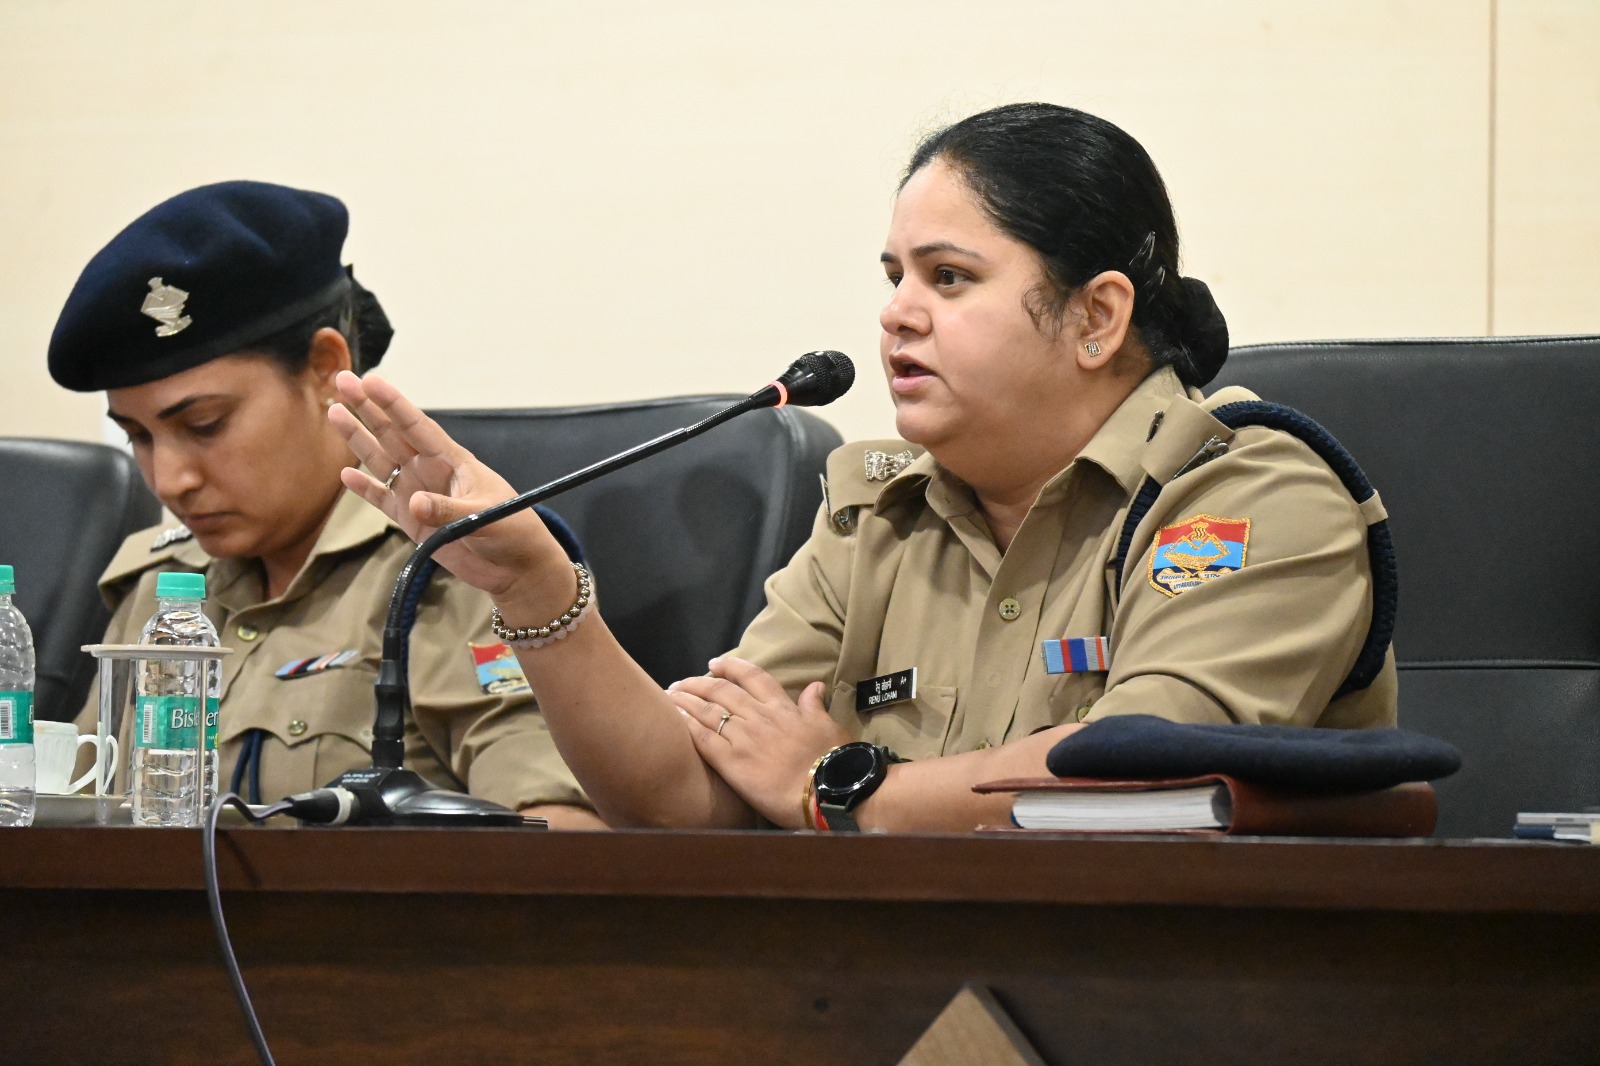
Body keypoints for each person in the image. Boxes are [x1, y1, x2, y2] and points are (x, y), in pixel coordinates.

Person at [329, 103, 1398, 833]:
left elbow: (1140, 771)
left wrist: (840, 788)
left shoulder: (1254, 491)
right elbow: (683, 798)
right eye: (894, 276)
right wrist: (535, 590)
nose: (896, 314)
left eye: (950, 276)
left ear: (1095, 316)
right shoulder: (877, 512)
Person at [48, 181, 603, 828]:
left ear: (323, 369)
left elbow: (561, 835)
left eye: (204, 425)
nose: (169, 481)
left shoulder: (454, 568)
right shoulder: (161, 588)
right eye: (138, 437)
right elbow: (71, 822)